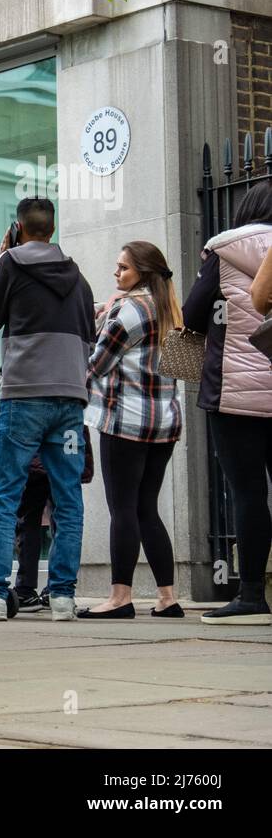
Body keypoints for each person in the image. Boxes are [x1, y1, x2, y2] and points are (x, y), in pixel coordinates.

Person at [0, 197, 95, 623]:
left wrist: (0, 257)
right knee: (68, 497)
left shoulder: (10, 262)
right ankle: (63, 598)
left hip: (25, 396)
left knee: (5, 491)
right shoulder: (77, 274)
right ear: (51, 229)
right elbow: (89, 333)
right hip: (69, 401)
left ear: (18, 228)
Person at [76, 242, 184, 619]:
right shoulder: (171, 308)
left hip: (125, 421)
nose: (116, 273)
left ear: (142, 271)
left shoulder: (129, 311)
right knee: (146, 508)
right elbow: (182, 370)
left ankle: (120, 597)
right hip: (165, 422)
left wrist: (98, 325)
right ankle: (168, 597)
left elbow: (97, 364)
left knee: (122, 508)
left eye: (123, 268)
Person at [182, 183, 272, 625]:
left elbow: (193, 315)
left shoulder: (225, 252)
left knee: (248, 493)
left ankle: (252, 594)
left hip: (235, 394)